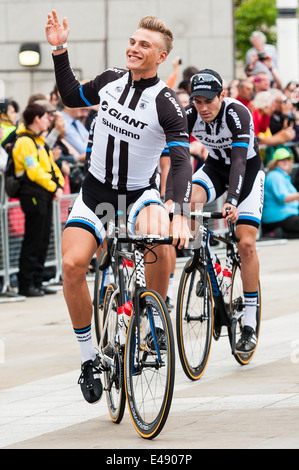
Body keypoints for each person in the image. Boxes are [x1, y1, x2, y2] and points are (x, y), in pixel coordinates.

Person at [45, 10, 192, 404]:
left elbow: (180, 161)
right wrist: (60, 49)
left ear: (160, 57)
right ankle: (89, 358)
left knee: (161, 241)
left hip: (138, 194)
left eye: (144, 44)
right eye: (132, 41)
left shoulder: (166, 104)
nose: (134, 47)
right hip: (95, 194)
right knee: (73, 267)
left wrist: (178, 212)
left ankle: (155, 320)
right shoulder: (110, 80)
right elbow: (73, 97)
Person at [185, 69, 264, 353]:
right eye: (197, 101)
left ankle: (250, 323)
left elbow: (240, 161)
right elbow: (175, 156)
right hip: (216, 167)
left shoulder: (237, 113)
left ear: (222, 96)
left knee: (246, 243)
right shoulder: (190, 115)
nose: (203, 108)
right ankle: (203, 257)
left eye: (209, 101)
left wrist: (232, 200)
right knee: (188, 200)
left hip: (247, 171)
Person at [12, 103, 64, 296]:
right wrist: (54, 186)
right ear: (36, 118)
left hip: (44, 194)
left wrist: (57, 184)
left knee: (43, 239)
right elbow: (33, 171)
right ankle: (26, 284)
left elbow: (50, 165)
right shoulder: (25, 142)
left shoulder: (38, 140)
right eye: (45, 117)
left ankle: (38, 280)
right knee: (33, 239)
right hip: (33, 195)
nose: (49, 120)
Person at [261, 147, 299, 238]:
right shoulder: (275, 176)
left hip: (286, 216)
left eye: (288, 159)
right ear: (275, 162)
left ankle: (279, 234)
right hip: (280, 217)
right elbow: (283, 198)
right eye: (282, 159)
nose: (286, 161)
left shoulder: (283, 176)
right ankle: (277, 233)